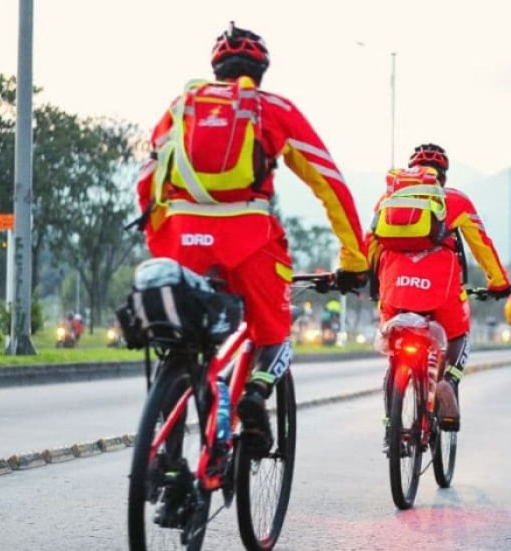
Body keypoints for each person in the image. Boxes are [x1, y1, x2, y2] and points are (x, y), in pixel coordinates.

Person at [135, 22, 369, 456]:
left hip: (181, 240)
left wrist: (160, 239)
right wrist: (354, 259)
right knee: (273, 333)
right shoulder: (272, 109)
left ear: (216, 66)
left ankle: (166, 465)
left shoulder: (182, 106)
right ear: (261, 71)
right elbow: (330, 184)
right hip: (249, 242)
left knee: (181, 345)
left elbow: (149, 178)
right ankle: (256, 394)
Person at [367, 143, 511, 432]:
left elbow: (370, 244)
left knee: (395, 357)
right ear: (442, 177)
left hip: (394, 286)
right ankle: (448, 381)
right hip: (439, 287)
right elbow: (481, 244)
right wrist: (498, 283)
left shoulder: (389, 198)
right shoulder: (454, 200)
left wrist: (369, 281)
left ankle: (389, 426)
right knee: (459, 335)